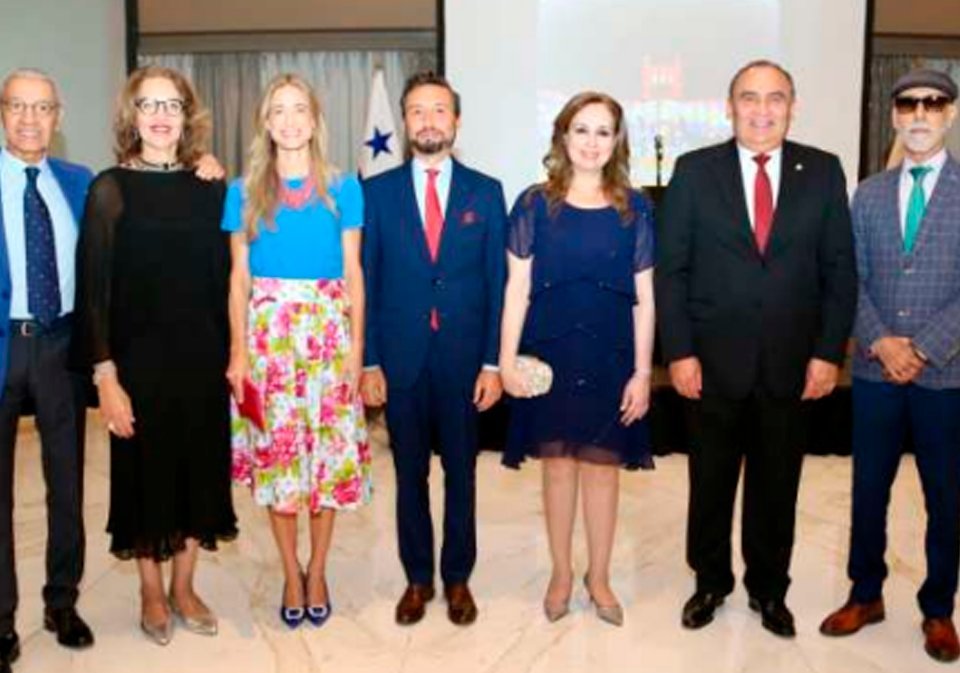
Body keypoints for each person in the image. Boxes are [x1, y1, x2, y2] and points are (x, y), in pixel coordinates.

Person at [655, 59, 857, 637]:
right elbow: (673, 272)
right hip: (710, 364)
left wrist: (826, 354)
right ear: (729, 106)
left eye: (775, 98)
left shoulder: (822, 171)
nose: (762, 109)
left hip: (792, 366)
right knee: (710, 483)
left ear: (792, 107)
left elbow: (838, 272)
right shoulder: (695, 172)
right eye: (750, 98)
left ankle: (769, 590)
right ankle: (710, 582)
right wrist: (681, 353)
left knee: (777, 486)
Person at [73, 66, 237, 646]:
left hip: (203, 360)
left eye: (172, 104)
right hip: (137, 366)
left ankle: (185, 585)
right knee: (144, 476)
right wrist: (105, 376)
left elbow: (230, 279)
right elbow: (93, 290)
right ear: (132, 116)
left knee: (198, 471)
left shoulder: (212, 186)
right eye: (149, 105)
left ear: (187, 115)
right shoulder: (109, 188)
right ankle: (149, 587)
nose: (161, 115)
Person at [819, 69, 960, 663]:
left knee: (945, 497)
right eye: (909, 104)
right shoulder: (869, 193)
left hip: (945, 372)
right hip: (877, 371)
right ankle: (866, 593)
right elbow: (852, 278)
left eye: (933, 103)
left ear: (950, 113)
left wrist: (923, 346)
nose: (920, 113)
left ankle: (937, 610)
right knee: (867, 489)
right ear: (896, 115)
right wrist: (882, 342)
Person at [498, 91, 655, 627]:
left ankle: (600, 576)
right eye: (581, 130)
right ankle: (562, 572)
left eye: (603, 131)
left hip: (610, 357)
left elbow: (646, 297)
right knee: (559, 466)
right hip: (552, 354)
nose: (591, 142)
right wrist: (506, 361)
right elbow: (515, 289)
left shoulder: (635, 208)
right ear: (563, 137)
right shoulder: (533, 205)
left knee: (603, 470)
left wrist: (641, 372)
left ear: (617, 141)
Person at [224, 73, 370, 630]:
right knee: (280, 465)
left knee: (327, 465)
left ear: (314, 121)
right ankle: (290, 572)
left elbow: (354, 273)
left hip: (329, 339)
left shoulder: (344, 188)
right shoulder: (241, 191)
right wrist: (239, 354)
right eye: (277, 110)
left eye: (298, 110)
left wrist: (357, 351)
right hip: (269, 342)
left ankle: (319, 570)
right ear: (265, 121)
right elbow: (238, 279)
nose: (288, 120)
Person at [360, 71, 507, 626]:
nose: (428, 120)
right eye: (417, 111)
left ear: (456, 120)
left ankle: (459, 578)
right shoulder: (376, 193)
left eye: (439, 110)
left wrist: (493, 362)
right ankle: (418, 579)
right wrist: (369, 360)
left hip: (465, 363)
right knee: (410, 475)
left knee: (463, 475)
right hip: (400, 361)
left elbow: (498, 283)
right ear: (404, 122)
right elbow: (367, 284)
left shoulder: (486, 192)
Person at [0, 68, 94, 673]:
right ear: (1, 113)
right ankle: (0, 620)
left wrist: (203, 169)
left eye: (42, 108)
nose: (30, 119)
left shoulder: (79, 182)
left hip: (61, 345)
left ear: (58, 118)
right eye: (17, 107)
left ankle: (61, 601)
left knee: (67, 484)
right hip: (4, 344)